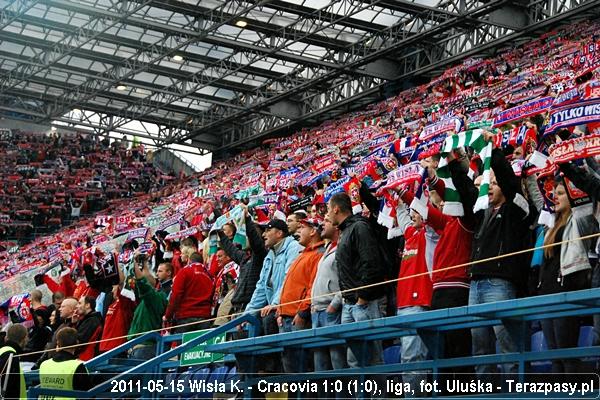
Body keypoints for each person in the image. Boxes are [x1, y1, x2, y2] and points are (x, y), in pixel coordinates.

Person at [452, 131, 534, 381]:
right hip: (475, 284)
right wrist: (454, 160)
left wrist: (493, 151)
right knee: (481, 350)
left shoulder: (517, 207)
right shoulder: (481, 212)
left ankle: (515, 394)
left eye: (493, 184)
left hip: (500, 283)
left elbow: (510, 181)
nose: (488, 189)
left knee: (509, 346)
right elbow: (466, 191)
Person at [538, 172, 598, 373]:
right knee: (554, 358)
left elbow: (586, 202)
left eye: (561, 193)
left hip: (566, 294)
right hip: (546, 295)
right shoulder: (550, 225)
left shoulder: (580, 221)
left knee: (566, 356)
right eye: (554, 193)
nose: (555, 196)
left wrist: (573, 168)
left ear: (572, 195)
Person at [327, 192, 386, 367]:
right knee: (354, 360)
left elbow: (371, 262)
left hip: (363, 302)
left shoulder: (359, 227)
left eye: (329, 210)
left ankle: (379, 395)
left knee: (373, 359)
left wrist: (363, 297)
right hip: (350, 303)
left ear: (336, 209)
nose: (327, 214)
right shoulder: (346, 230)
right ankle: (362, 395)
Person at [244, 218, 302, 372]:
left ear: (279, 233)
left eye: (268, 230)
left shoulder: (293, 248)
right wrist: (247, 314)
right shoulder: (270, 254)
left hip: (289, 306)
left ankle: (273, 371)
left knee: (268, 318)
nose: (264, 234)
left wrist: (275, 303)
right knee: (245, 324)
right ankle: (251, 376)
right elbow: (261, 288)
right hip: (274, 305)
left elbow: (288, 279)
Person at [277, 217, 326, 372]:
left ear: (313, 231)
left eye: (303, 227)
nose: (298, 230)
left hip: (297, 318)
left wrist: (302, 312)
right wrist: (280, 309)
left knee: (301, 370)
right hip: (286, 316)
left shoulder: (318, 254)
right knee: (291, 372)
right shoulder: (303, 254)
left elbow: (312, 287)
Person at [311, 215, 347, 372]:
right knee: (321, 367)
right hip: (318, 312)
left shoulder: (342, 247)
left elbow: (346, 279)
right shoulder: (329, 248)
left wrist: (334, 304)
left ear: (337, 226)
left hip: (331, 311)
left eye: (326, 220)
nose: (322, 224)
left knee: (338, 362)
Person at [128, 251, 168, 360]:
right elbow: (144, 279)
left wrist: (133, 262)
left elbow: (142, 281)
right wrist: (144, 262)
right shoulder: (145, 300)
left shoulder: (157, 298)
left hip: (144, 349)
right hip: (136, 349)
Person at [163, 252, 214, 334]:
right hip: (204, 317)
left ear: (189, 261)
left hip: (185, 317)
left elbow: (175, 295)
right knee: (202, 346)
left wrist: (168, 315)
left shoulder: (184, 272)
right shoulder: (209, 275)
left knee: (183, 346)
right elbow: (213, 296)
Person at [39, 327, 93, 396]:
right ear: (77, 342)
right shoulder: (77, 366)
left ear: (58, 343)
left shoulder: (44, 364)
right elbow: (87, 393)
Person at [0, 324, 28, 400]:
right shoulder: (11, 356)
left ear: (6, 337)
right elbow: (9, 389)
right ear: (25, 338)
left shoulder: (2, 351)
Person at [75, 295, 103, 361]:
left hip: (84, 359)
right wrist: (74, 323)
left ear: (87, 305)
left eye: (79, 303)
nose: (76, 306)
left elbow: (79, 341)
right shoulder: (88, 319)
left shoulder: (91, 321)